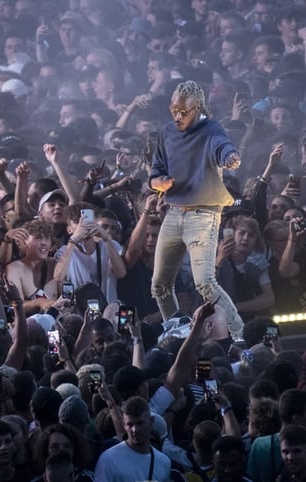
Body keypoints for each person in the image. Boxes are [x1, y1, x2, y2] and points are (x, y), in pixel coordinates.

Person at [150, 79, 244, 340]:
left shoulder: (211, 129)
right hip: (173, 212)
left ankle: (238, 334)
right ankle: (176, 330)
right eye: (173, 109)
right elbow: (156, 170)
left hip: (203, 214)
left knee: (204, 282)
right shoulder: (167, 132)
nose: (177, 116)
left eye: (184, 112)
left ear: (198, 108)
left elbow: (222, 145)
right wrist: (158, 182)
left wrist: (230, 157)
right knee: (159, 285)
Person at [94, 396, 171, 481]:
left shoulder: (163, 462)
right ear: (124, 425)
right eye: (130, 424)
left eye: (140, 423)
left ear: (151, 421)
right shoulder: (109, 460)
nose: (135, 429)